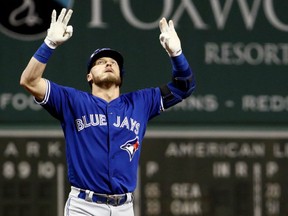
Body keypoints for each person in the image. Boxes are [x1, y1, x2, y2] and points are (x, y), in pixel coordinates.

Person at [20, 8, 195, 216]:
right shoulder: (72, 101)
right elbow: (29, 81)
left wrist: (176, 54)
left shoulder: (140, 102)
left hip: (124, 207)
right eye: (100, 62)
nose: (108, 63)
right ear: (89, 76)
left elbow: (184, 87)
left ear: (121, 75)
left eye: (113, 62)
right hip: (84, 206)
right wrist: (49, 44)